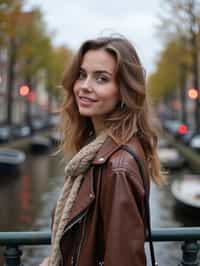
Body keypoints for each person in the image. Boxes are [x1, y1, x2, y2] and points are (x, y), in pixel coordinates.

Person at [40, 35, 165, 266]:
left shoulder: (118, 166)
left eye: (101, 78)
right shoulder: (97, 151)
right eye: (82, 75)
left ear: (124, 91)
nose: (85, 86)